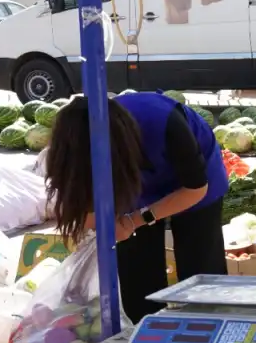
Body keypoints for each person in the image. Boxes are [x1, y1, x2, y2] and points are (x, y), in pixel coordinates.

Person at [44, 94, 229, 319]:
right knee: (137, 274)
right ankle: (146, 332)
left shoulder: (165, 123)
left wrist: (135, 220)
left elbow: (195, 190)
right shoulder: (75, 150)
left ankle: (207, 327)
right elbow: (79, 198)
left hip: (195, 184)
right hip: (135, 184)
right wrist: (98, 231)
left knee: (200, 266)